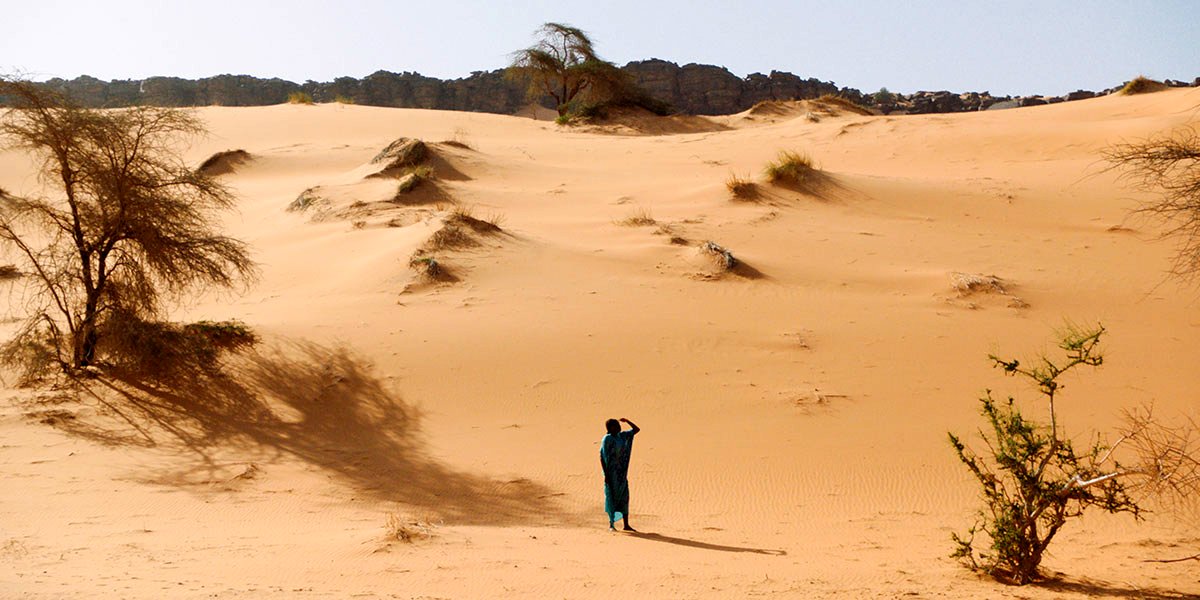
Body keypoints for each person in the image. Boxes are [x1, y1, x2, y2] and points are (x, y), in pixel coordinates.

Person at [600, 417, 640, 531]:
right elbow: (602, 456)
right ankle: (611, 524)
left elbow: (636, 430)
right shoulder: (607, 439)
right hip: (611, 473)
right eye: (615, 425)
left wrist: (627, 421)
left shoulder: (622, 436)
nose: (619, 427)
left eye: (618, 425)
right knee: (612, 496)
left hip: (621, 473)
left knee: (624, 496)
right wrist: (606, 475)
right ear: (609, 428)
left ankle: (626, 525)